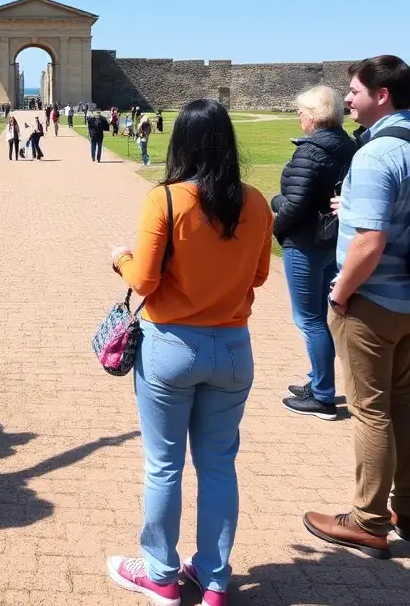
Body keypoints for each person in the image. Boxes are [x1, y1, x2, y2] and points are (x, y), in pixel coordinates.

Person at [107, 99, 272, 606]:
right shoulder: (255, 202)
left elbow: (145, 281)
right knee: (219, 465)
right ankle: (214, 579)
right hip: (233, 347)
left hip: (172, 346)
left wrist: (121, 259)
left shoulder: (166, 199)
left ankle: (161, 574)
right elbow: (260, 276)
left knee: (164, 465)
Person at [304, 56, 410, 559]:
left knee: (370, 411)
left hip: (371, 301)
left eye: (353, 91)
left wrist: (340, 293)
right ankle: (406, 507)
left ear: (381, 95)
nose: (346, 98)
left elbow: (369, 243)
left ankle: (368, 520)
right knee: (404, 406)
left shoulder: (374, 155)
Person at [270, 86, 356, 420]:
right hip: (330, 241)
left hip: (305, 242)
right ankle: (319, 381)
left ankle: (322, 396)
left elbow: (294, 204)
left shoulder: (310, 151)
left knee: (309, 320)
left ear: (315, 115)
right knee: (322, 317)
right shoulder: (347, 145)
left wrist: (275, 215)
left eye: (302, 112)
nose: (299, 118)